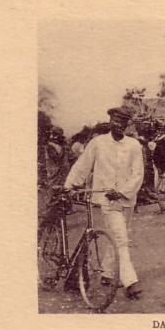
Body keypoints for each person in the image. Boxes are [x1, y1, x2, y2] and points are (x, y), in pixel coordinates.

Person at [64, 107, 144, 300]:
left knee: (117, 236)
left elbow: (138, 173)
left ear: (127, 124)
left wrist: (123, 192)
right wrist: (69, 185)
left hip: (126, 199)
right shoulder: (98, 143)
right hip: (107, 199)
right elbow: (83, 166)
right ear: (110, 122)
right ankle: (130, 281)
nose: (119, 125)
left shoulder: (134, 145)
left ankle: (108, 274)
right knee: (121, 237)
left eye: (123, 122)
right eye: (116, 121)